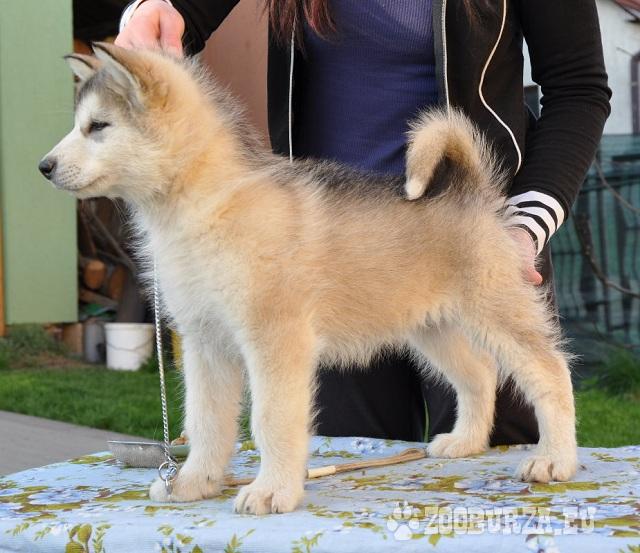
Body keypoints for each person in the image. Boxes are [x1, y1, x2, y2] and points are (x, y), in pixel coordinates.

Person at [115, 0, 611, 445]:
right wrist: (151, 13)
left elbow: (578, 87)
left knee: (499, 481)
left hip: (467, 232)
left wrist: (525, 225)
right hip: (329, 249)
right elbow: (181, 19)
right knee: (349, 470)